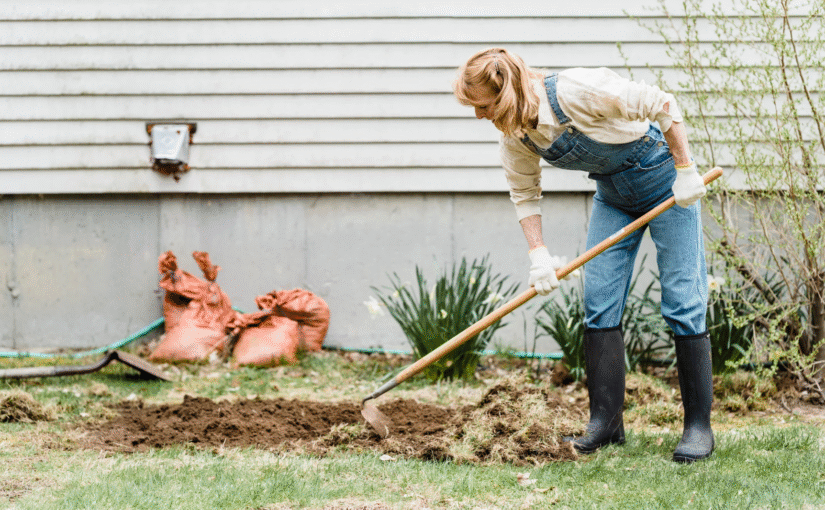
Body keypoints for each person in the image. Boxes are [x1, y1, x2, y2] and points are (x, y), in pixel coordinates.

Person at [453, 47, 714, 463]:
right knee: (599, 303)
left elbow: (662, 103)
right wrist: (538, 253)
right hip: (614, 197)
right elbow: (524, 194)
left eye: (482, 106)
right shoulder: (518, 133)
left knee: (684, 301)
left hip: (667, 184)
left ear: (502, 94)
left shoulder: (575, 90)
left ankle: (698, 427)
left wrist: (685, 169)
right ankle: (606, 424)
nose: (479, 115)